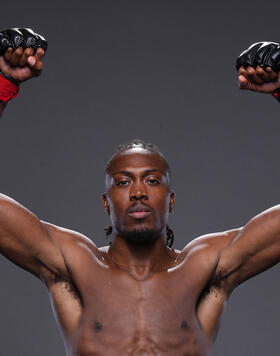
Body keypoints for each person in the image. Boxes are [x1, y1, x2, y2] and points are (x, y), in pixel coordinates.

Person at [0, 29, 280, 356]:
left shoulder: (208, 266)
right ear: (106, 201)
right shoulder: (71, 263)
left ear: (171, 198)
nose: (137, 192)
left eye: (152, 180)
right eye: (122, 182)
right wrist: (3, 82)